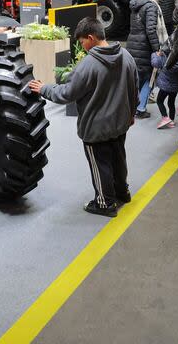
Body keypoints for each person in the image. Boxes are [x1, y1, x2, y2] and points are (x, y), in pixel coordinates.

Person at [29, 17, 138, 217]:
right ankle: (122, 192)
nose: (82, 46)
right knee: (118, 158)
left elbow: (66, 94)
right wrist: (131, 114)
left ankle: (105, 203)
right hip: (120, 123)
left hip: (96, 128)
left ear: (90, 37)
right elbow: (134, 88)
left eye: (81, 42)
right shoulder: (126, 55)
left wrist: (43, 88)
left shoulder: (88, 65)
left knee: (100, 165)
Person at [126, 0, 165, 119]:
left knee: (136, 78)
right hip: (145, 46)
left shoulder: (135, 5)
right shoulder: (151, 6)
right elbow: (150, 30)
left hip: (132, 44)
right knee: (150, 78)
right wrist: (157, 49)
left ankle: (132, 106)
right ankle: (141, 108)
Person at [150, 44, 178, 129]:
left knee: (159, 100)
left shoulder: (166, 57)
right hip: (175, 86)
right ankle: (171, 121)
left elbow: (155, 63)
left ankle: (165, 117)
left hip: (165, 85)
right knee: (171, 102)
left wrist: (155, 54)